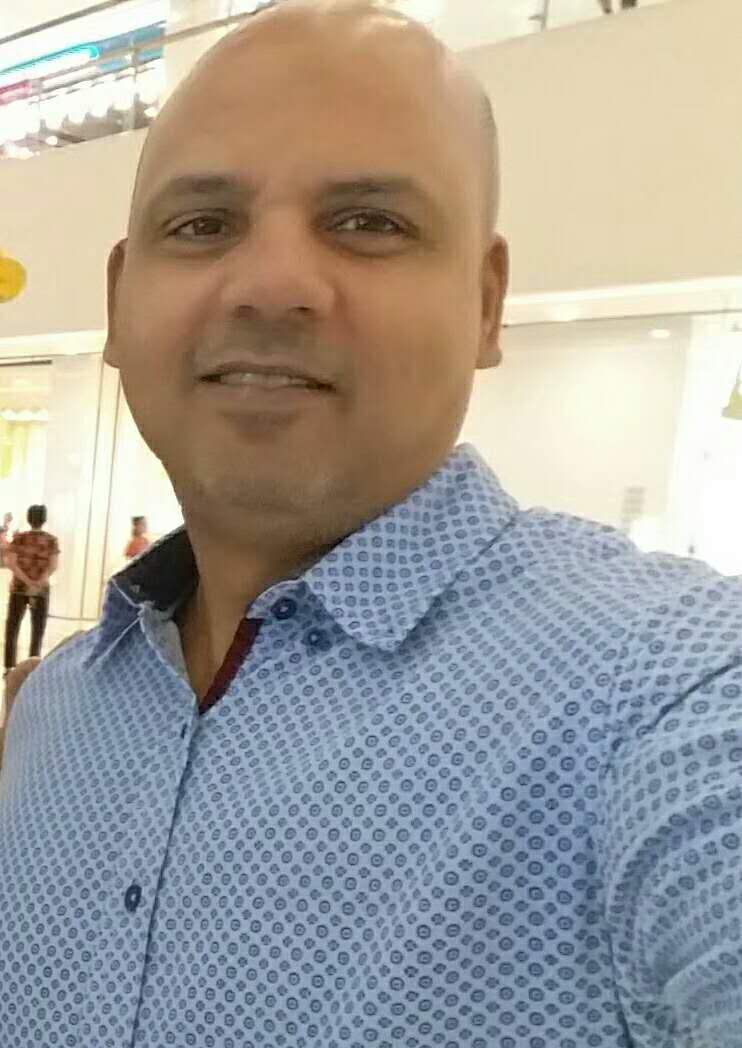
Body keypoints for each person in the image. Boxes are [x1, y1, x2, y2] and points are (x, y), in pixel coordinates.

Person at [0, 1, 740, 1045]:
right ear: (121, 303)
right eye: (202, 225)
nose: (270, 286)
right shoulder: (61, 711)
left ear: (485, 303)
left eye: (369, 223)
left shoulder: (666, 693)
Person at [2, 504, 59, 674]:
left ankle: (9, 666)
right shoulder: (51, 541)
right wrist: (38, 582)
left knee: (12, 627)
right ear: (44, 519)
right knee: (38, 629)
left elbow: (11, 562)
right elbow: (53, 565)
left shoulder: (19, 538)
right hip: (41, 590)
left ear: (29, 518)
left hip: (18, 588)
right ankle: (33, 666)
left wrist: (26, 581)